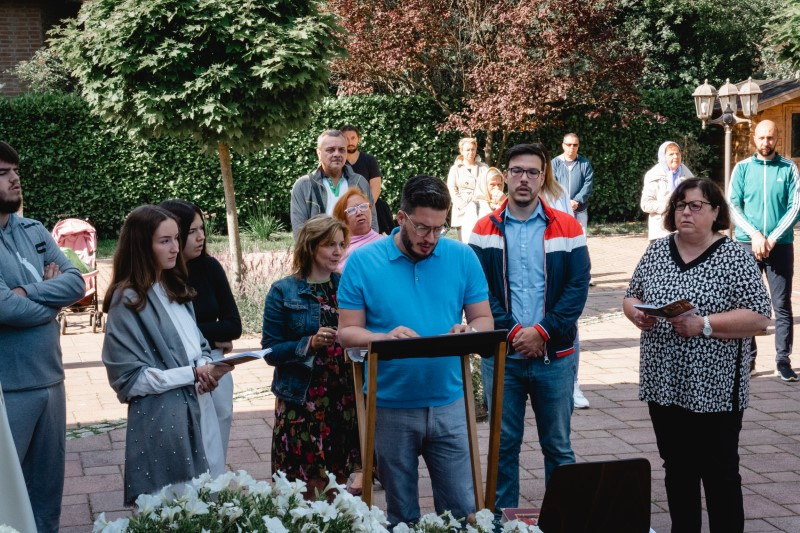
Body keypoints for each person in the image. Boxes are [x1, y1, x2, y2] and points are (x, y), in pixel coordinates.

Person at [338, 175, 493, 526]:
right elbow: (347, 332)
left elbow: (483, 318)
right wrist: (381, 337)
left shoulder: (461, 256)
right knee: (402, 514)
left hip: (450, 400)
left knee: (460, 510)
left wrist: (469, 331)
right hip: (390, 403)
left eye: (439, 228)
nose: (431, 238)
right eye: (422, 228)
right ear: (401, 217)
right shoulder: (363, 261)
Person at [624, 178, 771, 533]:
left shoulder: (735, 256)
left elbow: (759, 317)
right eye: (680, 205)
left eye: (696, 205)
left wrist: (703, 324)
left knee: (719, 472)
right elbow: (631, 295)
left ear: (716, 212)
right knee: (677, 467)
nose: (686, 212)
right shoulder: (657, 251)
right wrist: (637, 314)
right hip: (665, 383)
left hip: (715, 388)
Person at [469, 143, 590, 514]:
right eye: (517, 171)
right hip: (502, 357)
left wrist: (542, 332)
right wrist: (514, 334)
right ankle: (502, 523)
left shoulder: (567, 227)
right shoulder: (482, 230)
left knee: (558, 446)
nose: (524, 179)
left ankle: (563, 518)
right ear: (505, 175)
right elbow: (478, 292)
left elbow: (577, 287)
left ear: (543, 177)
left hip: (555, 356)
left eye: (532, 172)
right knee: (503, 446)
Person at [102, 205, 232, 505]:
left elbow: (197, 346)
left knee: (209, 498)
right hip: (164, 419)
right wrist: (192, 374)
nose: (175, 247)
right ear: (141, 245)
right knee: (175, 506)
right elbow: (129, 378)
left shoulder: (175, 288)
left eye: (176, 238)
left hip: (200, 408)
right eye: (165, 241)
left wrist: (204, 366)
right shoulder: (128, 300)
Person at [0, 141, 86, 532]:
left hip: (51, 381)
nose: (15, 179)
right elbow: (5, 308)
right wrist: (52, 303)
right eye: (3, 173)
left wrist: (29, 291)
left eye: (15, 170)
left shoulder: (34, 230)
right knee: (7, 500)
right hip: (9, 388)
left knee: (46, 499)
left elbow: (75, 283)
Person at [261, 215, 361, 499]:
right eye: (330, 245)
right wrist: (309, 343)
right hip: (302, 399)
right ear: (310, 246)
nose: (338, 251)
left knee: (338, 480)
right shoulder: (283, 291)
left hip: (343, 397)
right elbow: (270, 351)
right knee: (301, 484)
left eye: (341, 244)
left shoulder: (347, 286)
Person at [160, 199, 242, 459]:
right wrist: (213, 335)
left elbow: (233, 325)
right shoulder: (161, 276)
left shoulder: (210, 267)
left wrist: (199, 334)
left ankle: (215, 481)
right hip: (176, 366)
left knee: (220, 423)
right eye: (192, 231)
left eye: (202, 229)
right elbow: (165, 332)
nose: (201, 237)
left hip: (213, 363)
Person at [729, 119, 800, 382]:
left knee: (781, 305)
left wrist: (772, 238)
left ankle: (783, 361)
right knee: (746, 304)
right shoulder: (742, 168)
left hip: (779, 245)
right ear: (754, 139)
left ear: (777, 138)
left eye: (770, 137)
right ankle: (748, 359)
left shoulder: (789, 168)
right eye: (761, 137)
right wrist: (756, 234)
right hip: (747, 244)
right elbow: (733, 204)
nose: (766, 142)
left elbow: (795, 207)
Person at [290, 129, 378, 238]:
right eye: (330, 150)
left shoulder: (360, 182)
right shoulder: (303, 185)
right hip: (320, 247)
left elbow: (372, 222)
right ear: (319, 153)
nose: (337, 154)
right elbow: (299, 231)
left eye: (341, 150)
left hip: (357, 247)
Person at [341, 124, 395, 234]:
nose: (350, 142)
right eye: (346, 139)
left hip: (371, 208)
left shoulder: (369, 160)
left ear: (359, 139)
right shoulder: (339, 162)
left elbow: (375, 189)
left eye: (353, 138)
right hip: (347, 211)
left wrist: (364, 209)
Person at [641, 141, 694, 240]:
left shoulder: (687, 174)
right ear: (663, 157)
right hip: (660, 232)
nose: (675, 157)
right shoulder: (653, 175)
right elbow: (645, 204)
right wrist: (667, 205)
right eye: (671, 154)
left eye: (677, 153)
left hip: (684, 231)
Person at [447, 137, 490, 243]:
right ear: (461, 151)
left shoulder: (484, 167)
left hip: (481, 209)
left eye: (473, 149)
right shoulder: (455, 169)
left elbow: (489, 186)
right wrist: (463, 206)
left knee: (482, 244)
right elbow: (452, 189)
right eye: (467, 150)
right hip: (462, 210)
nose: (471, 152)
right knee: (465, 245)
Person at [332, 189, 384, 273]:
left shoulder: (385, 243)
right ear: (342, 220)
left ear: (370, 210)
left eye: (363, 206)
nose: (359, 212)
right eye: (351, 210)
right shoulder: (335, 250)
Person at [551, 133, 593, 233]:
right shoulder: (555, 163)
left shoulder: (585, 164)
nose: (572, 147)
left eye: (575, 145)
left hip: (580, 210)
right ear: (563, 145)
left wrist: (576, 201)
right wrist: (565, 201)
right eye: (569, 144)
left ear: (578, 146)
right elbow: (552, 184)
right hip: (560, 209)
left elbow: (588, 184)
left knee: (580, 240)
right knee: (561, 238)